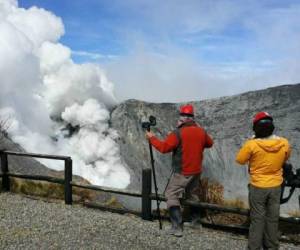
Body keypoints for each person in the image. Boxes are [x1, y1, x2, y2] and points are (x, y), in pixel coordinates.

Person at [145, 104, 213, 237]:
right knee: (192, 195)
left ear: (182, 118)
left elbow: (164, 148)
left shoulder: (178, 133)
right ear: (192, 118)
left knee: (171, 195)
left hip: (183, 171)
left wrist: (151, 138)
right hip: (196, 171)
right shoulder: (201, 131)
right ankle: (195, 222)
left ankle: (177, 227)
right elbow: (210, 143)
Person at [236, 111, 291, 250]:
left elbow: (240, 160)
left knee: (257, 219)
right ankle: (271, 246)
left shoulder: (252, 144)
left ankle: (254, 247)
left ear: (256, 127)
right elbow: (285, 158)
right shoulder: (284, 142)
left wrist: (252, 142)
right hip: (276, 186)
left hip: (258, 186)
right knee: (272, 218)